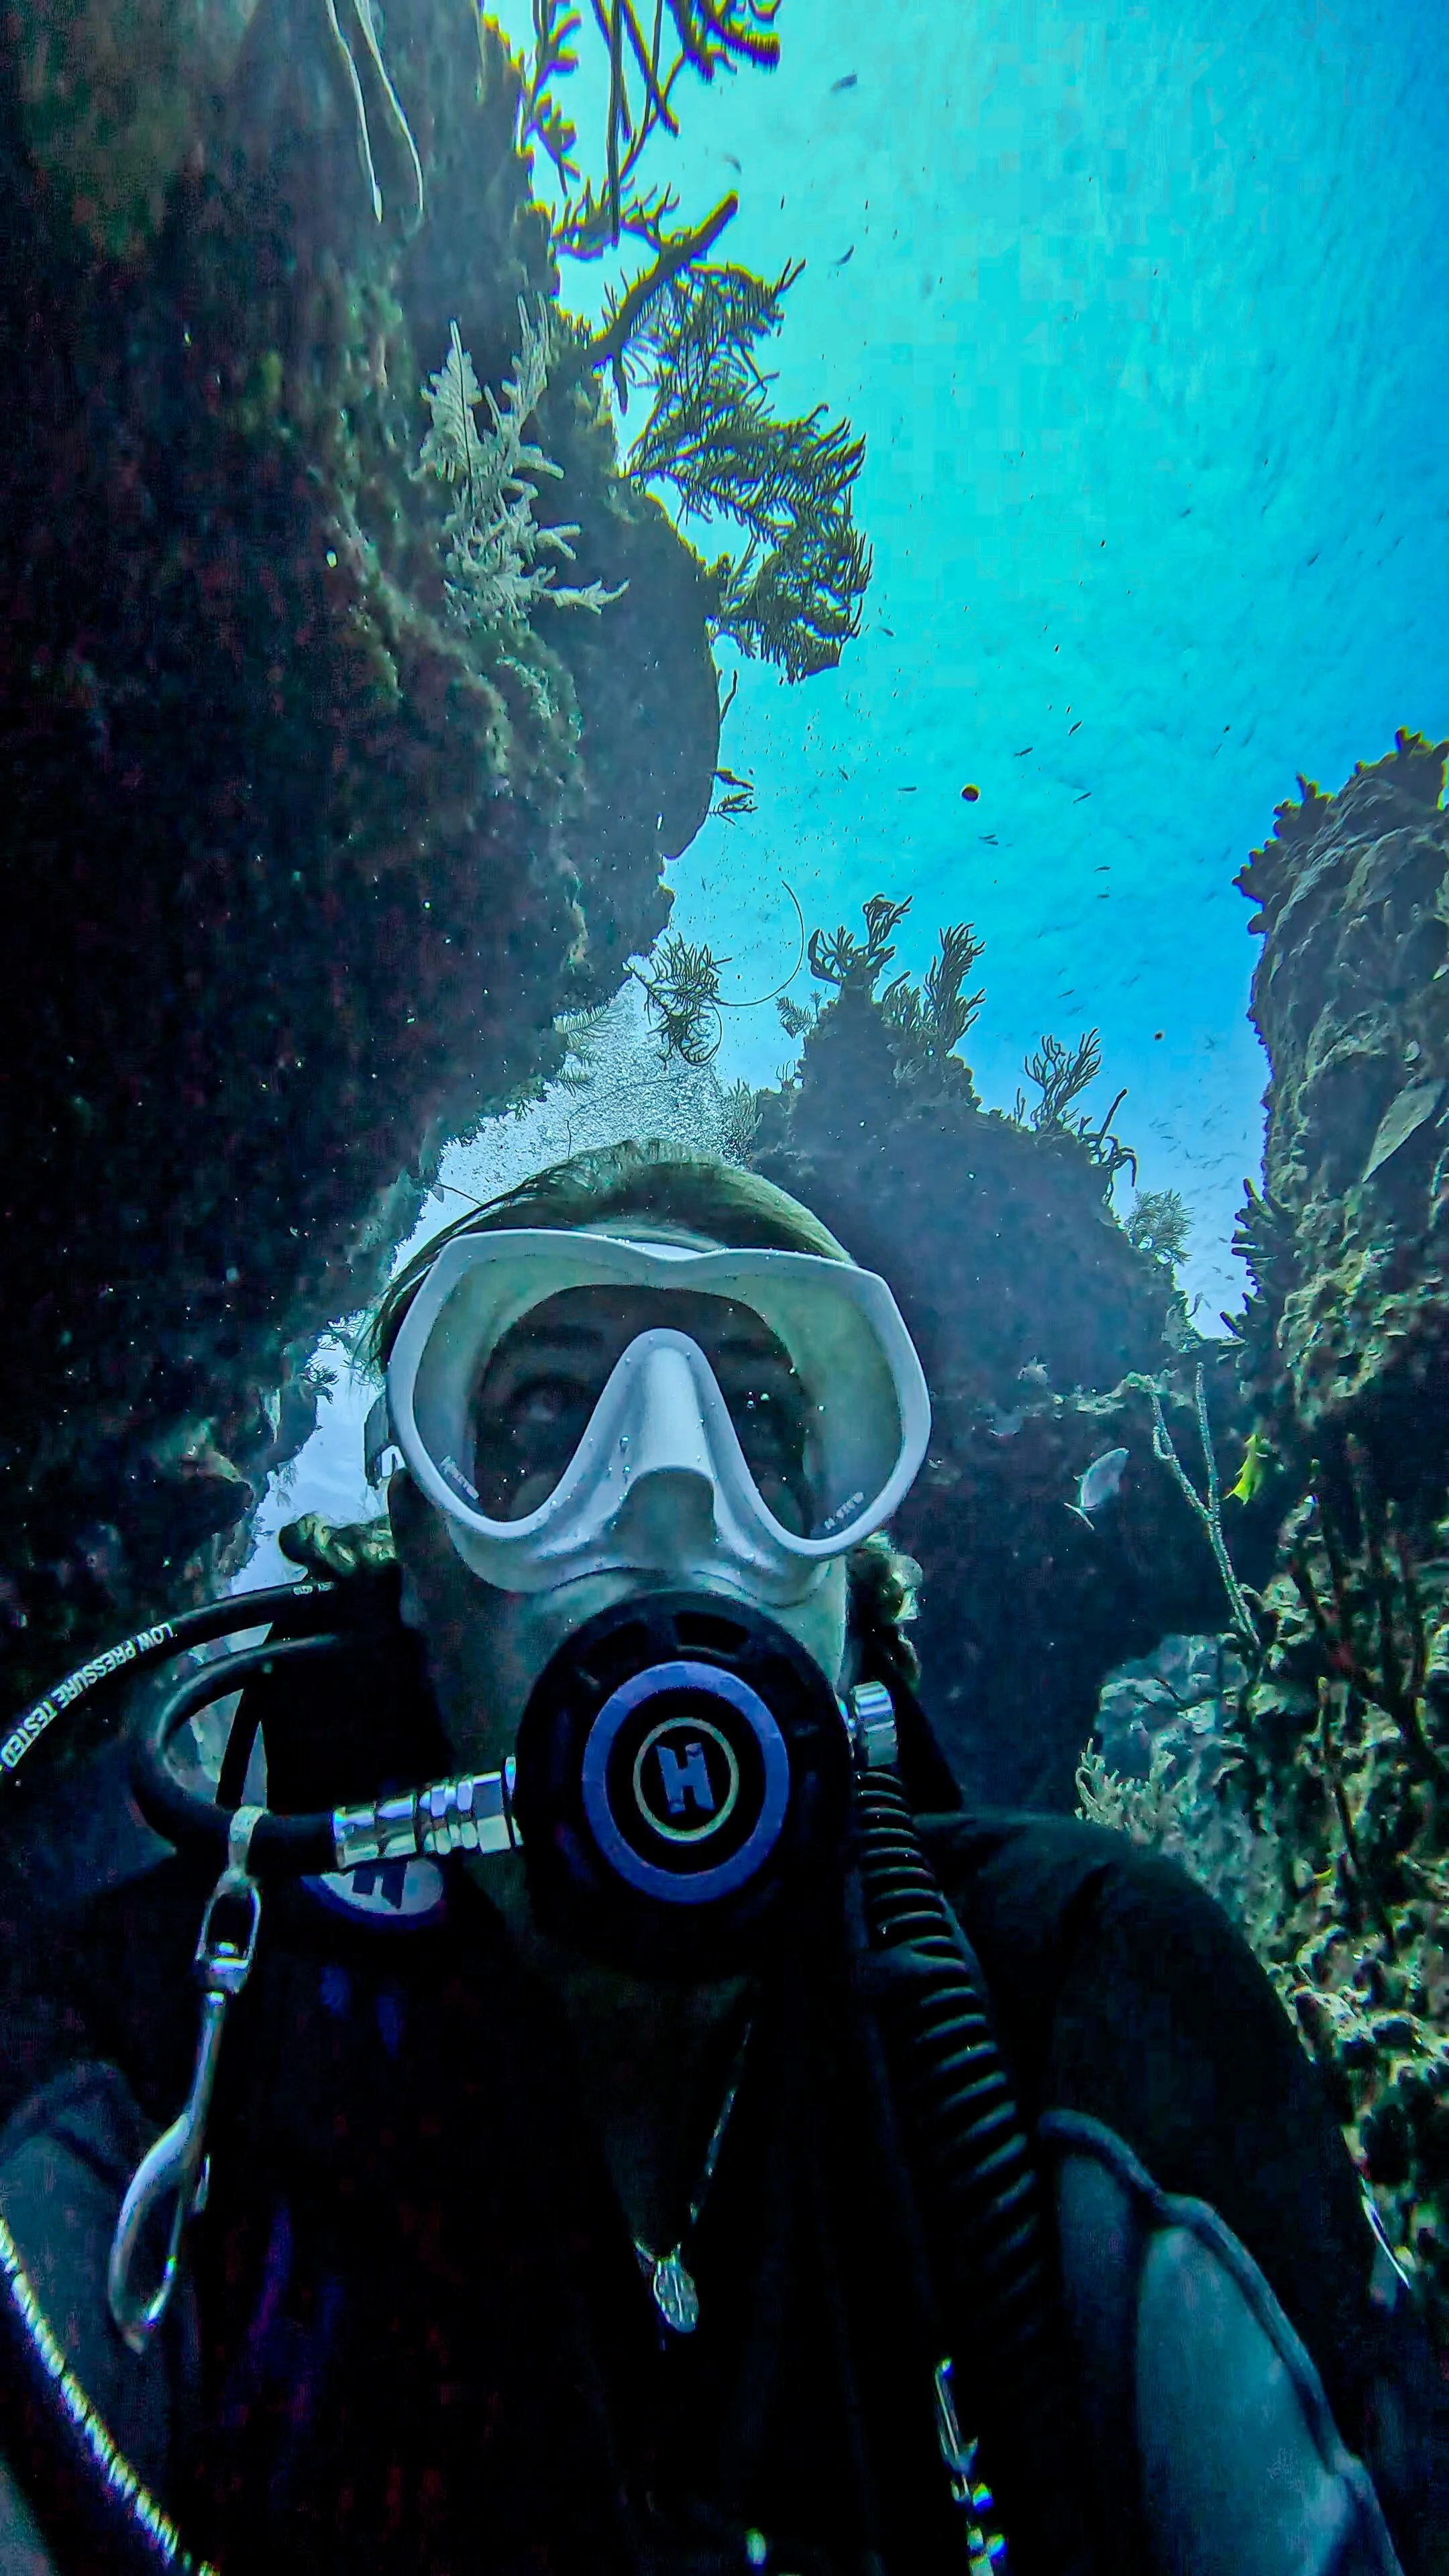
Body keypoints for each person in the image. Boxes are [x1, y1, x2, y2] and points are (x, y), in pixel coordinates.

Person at [0, 1141, 1443, 2576]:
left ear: (846, 1575)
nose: (672, 1497)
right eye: (550, 1411)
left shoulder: (1084, 1991)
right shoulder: (156, 2042)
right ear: (420, 1561)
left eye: (761, 1419)